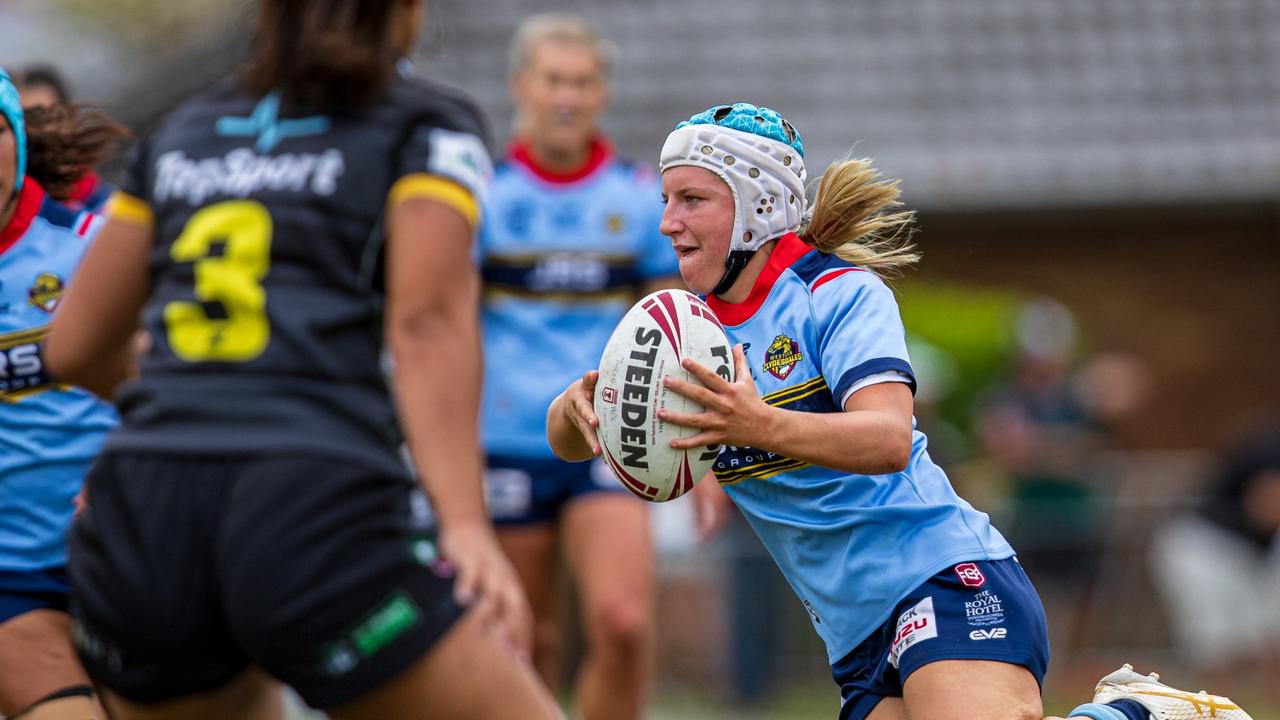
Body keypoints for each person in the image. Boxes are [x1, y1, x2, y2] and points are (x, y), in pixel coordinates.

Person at [546, 102, 1253, 720]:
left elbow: (887, 438)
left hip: (942, 576)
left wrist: (756, 422)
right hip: (854, 636)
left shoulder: (837, 295)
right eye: (666, 201)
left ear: (758, 202)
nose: (667, 222)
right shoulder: (684, 333)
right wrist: (577, 409)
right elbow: (581, 443)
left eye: (691, 199)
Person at [43, 1, 562, 719]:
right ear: (404, 13)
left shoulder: (179, 134)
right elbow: (426, 322)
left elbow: (71, 345)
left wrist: (168, 411)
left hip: (146, 516)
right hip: (311, 504)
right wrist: (466, 525)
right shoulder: (422, 124)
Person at [477, 14, 712, 719]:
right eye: (553, 80)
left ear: (602, 93)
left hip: (614, 439)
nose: (567, 97)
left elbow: (678, 338)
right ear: (522, 86)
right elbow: (447, 334)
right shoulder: (485, 197)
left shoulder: (641, 200)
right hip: (507, 442)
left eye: (581, 82)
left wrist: (702, 458)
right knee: (526, 641)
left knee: (623, 625)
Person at [0, 66, 126, 720]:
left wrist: (123, 463)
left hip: (124, 558)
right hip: (11, 584)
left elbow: (177, 384)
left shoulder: (92, 245)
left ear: (17, 139)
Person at [1150, 425, 1280, 705]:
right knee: (1218, 644)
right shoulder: (1270, 448)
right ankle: (1217, 709)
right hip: (1205, 545)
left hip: (1246, 551)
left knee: (1266, 635)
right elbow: (1267, 508)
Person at [14, 65, 114, 213]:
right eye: (22, 121)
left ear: (70, 119)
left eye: (45, 117)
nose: (34, 132)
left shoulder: (112, 207)